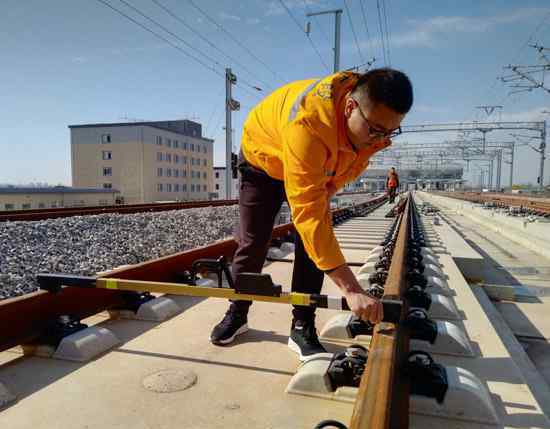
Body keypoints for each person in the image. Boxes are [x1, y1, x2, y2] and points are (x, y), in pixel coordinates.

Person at [210, 68, 413, 361]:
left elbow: (351, 165)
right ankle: (238, 311)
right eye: (375, 130)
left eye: (390, 132)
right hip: (263, 160)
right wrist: (351, 289)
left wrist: (327, 192)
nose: (379, 139)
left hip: (308, 162)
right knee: (254, 242)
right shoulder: (310, 124)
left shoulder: (370, 128)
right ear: (349, 107)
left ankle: (302, 325)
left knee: (312, 241)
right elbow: (310, 216)